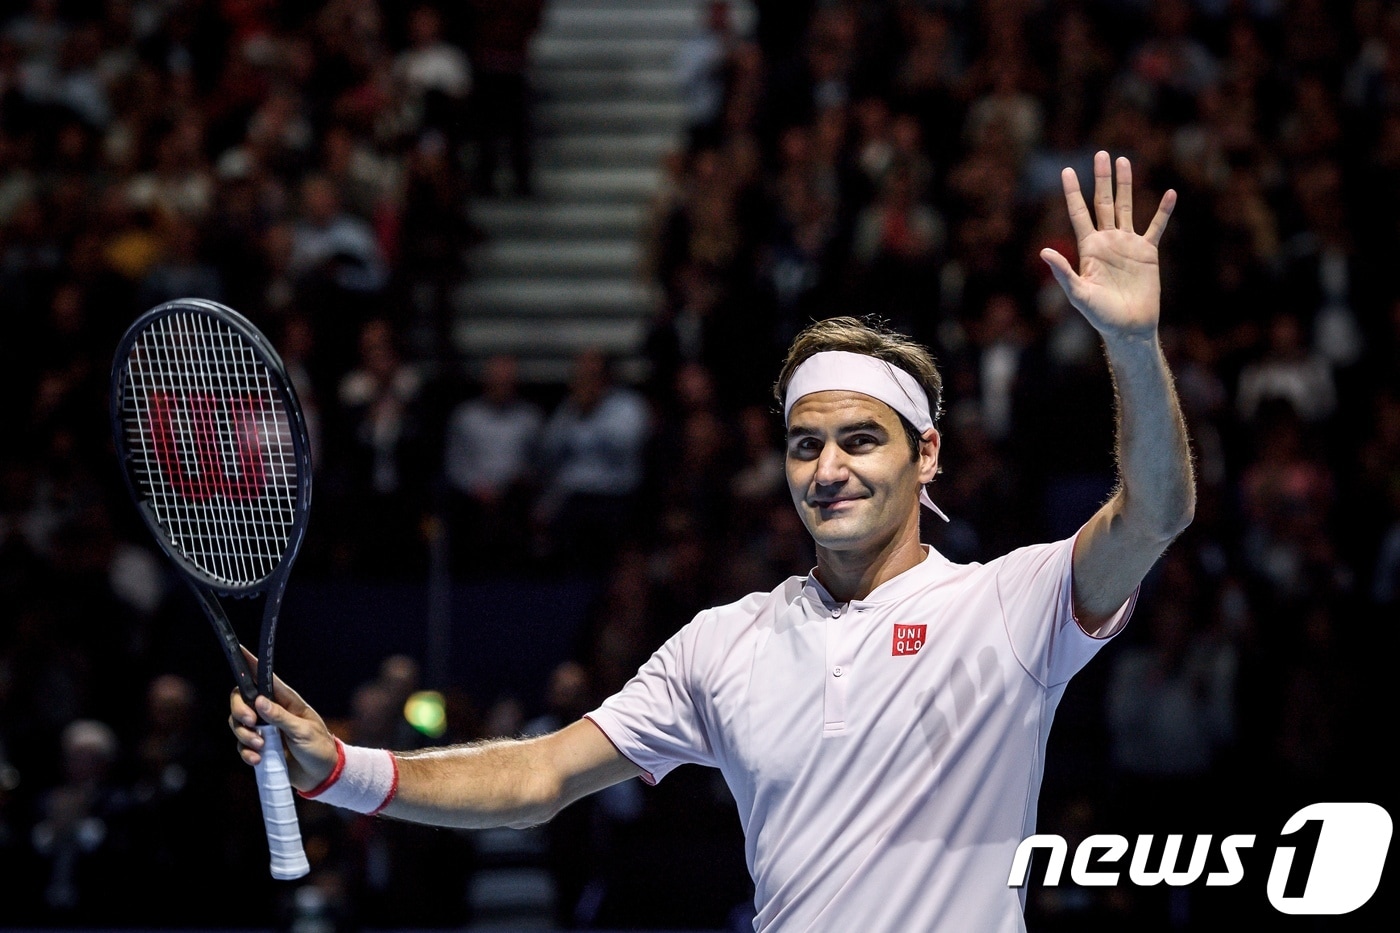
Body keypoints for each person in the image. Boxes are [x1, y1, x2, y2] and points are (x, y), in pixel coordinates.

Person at [231, 152, 1193, 931]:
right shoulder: (721, 642)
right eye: (805, 443)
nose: (829, 469)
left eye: (862, 440)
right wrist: (343, 770)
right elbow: (541, 774)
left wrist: (1134, 347)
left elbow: (1152, 514)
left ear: (926, 454)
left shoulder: (1009, 606)